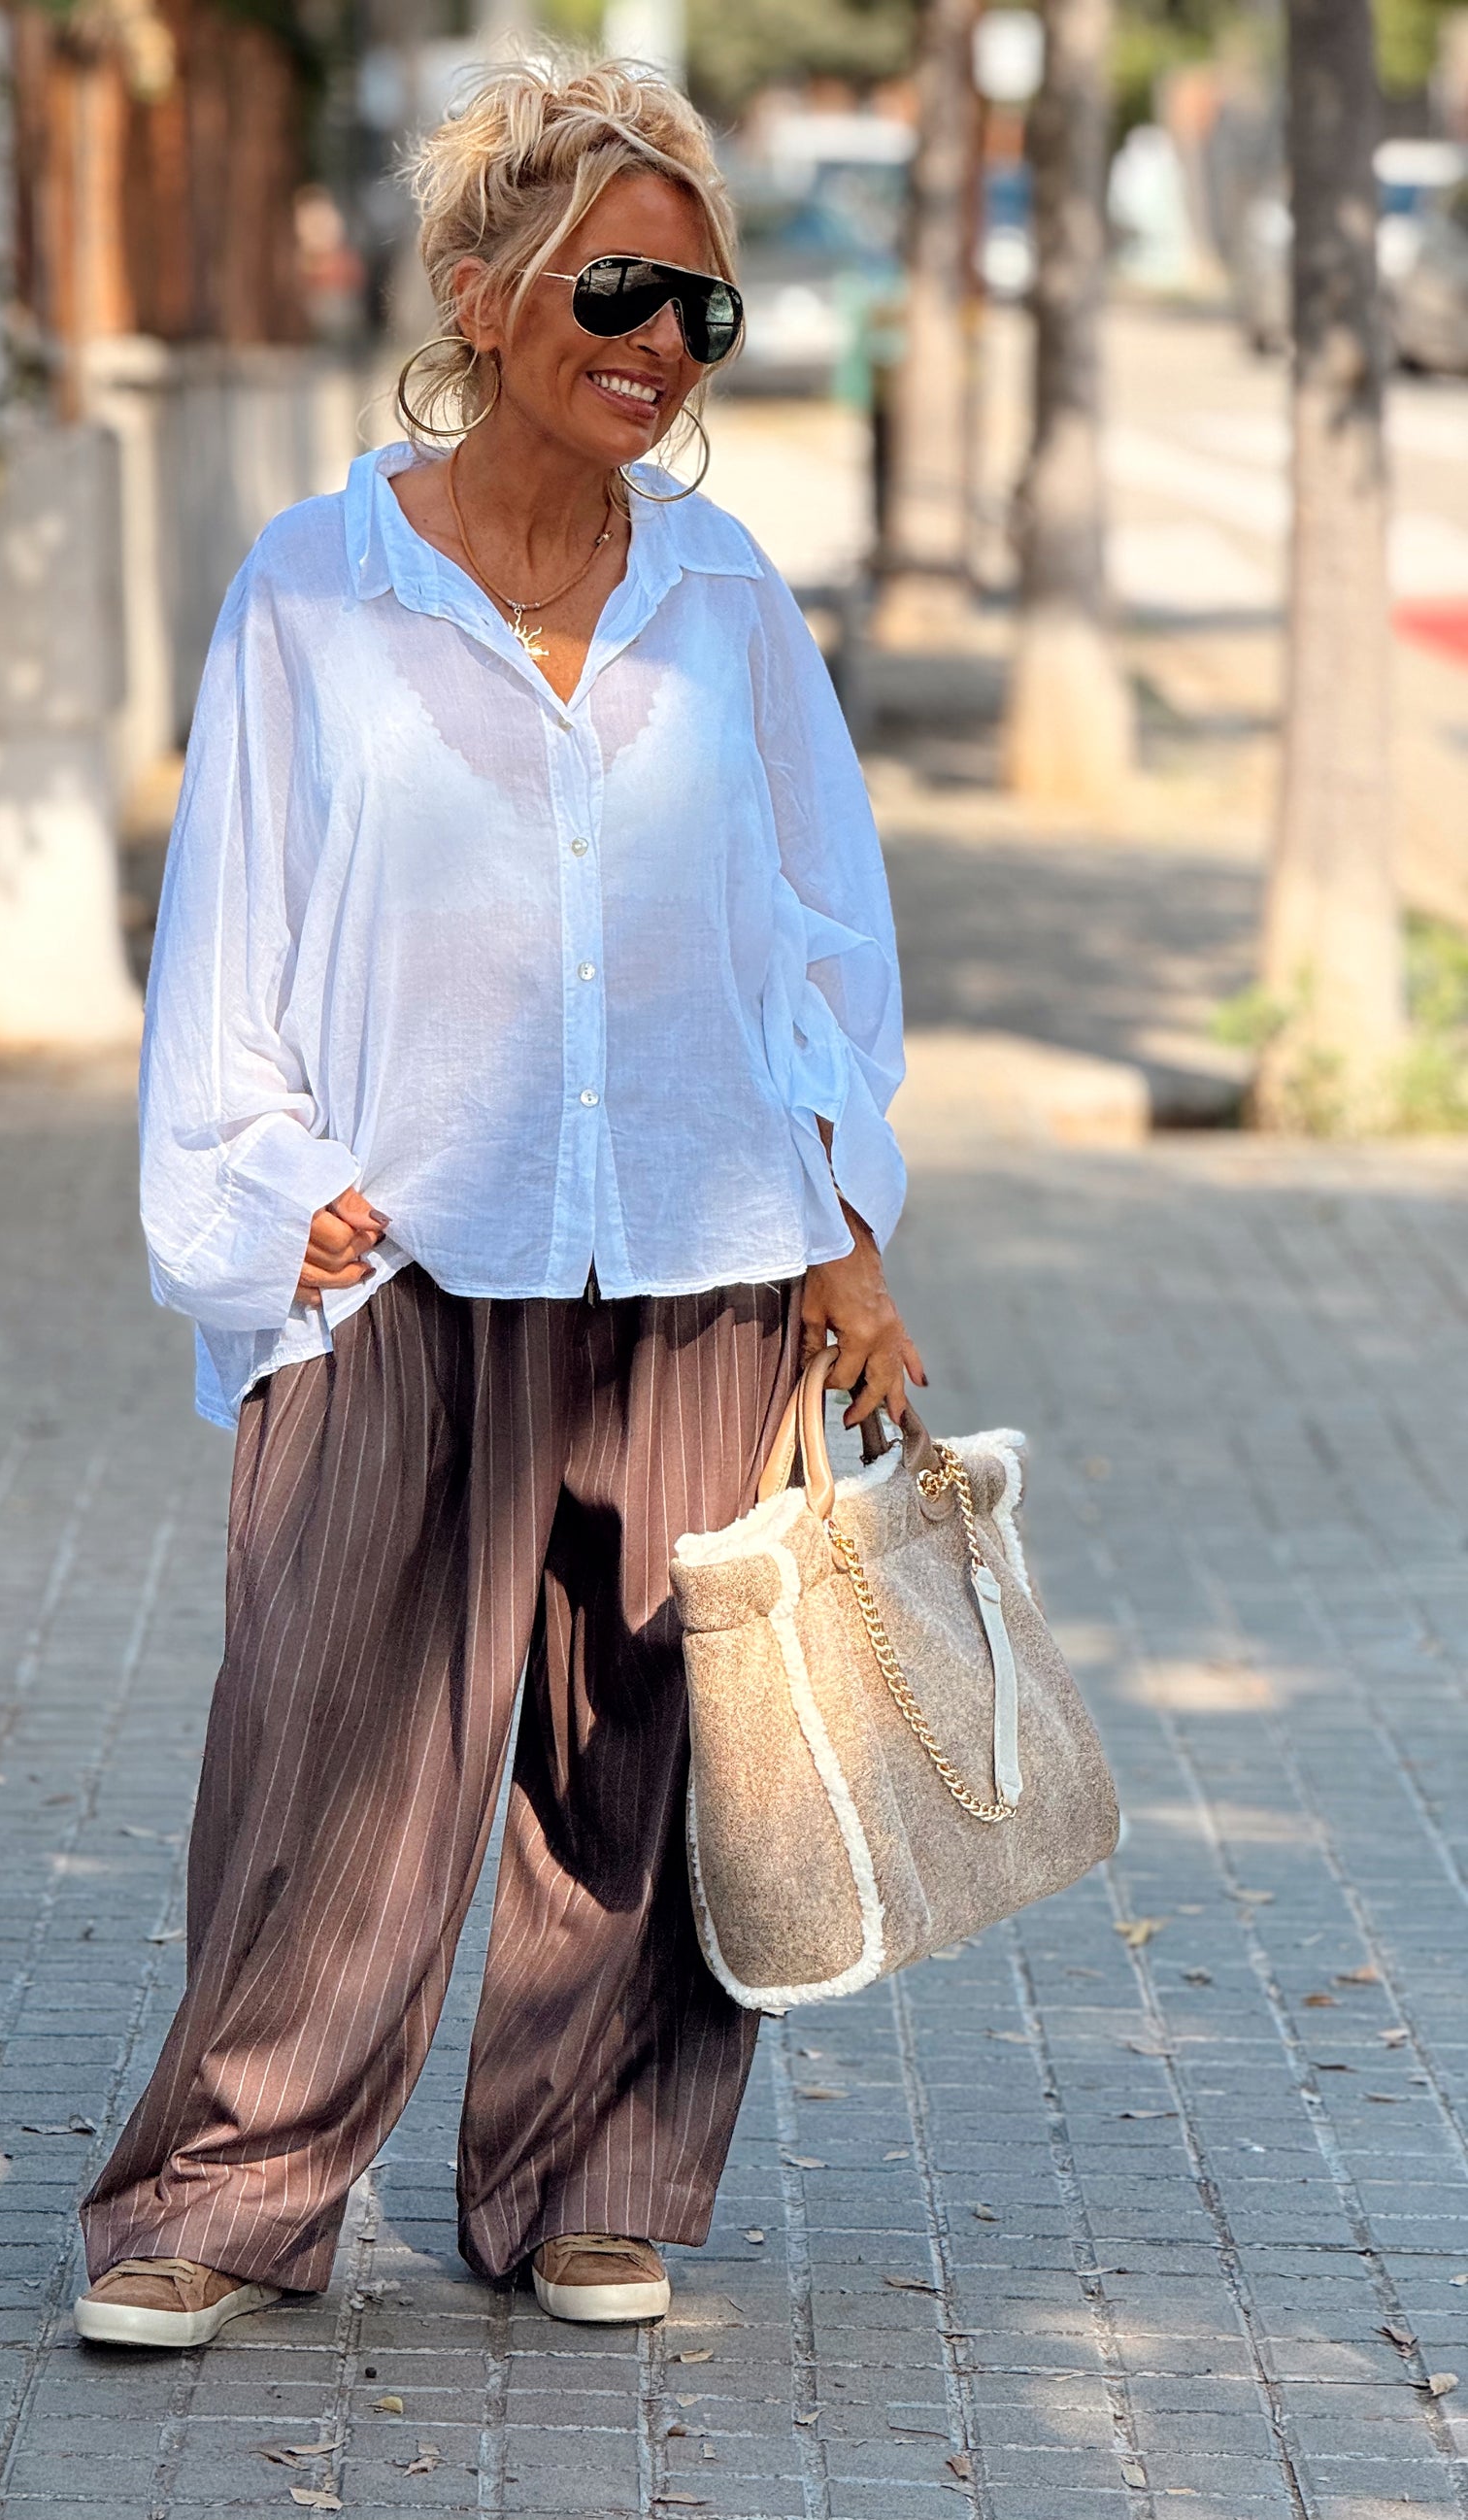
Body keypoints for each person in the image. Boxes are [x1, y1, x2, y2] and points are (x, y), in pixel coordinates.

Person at [74, 56, 923, 2353]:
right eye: (614, 288)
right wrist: (262, 1189)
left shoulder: (728, 603)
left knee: (648, 1749)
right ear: (479, 293)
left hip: (702, 1247)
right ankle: (224, 2186)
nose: (659, 343)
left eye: (699, 310)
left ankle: (593, 2177)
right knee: (327, 1745)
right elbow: (228, 925)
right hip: (400, 1254)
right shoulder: (316, 588)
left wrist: (847, 1229)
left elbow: (817, 939)